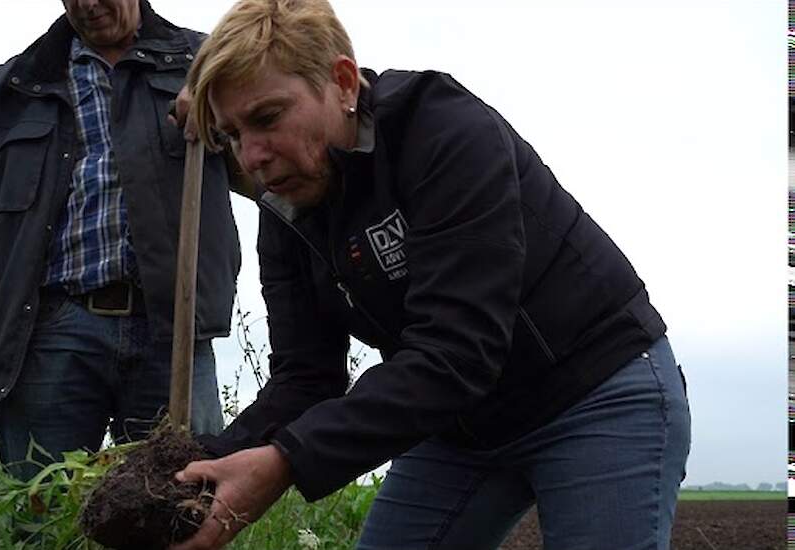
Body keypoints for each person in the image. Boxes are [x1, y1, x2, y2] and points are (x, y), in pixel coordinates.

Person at [170, 1, 692, 548]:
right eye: (230, 134)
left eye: (268, 118)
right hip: (462, 426)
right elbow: (306, 375)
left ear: (344, 84)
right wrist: (201, 465)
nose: (251, 157)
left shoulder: (442, 130)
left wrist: (284, 461)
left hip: (594, 393)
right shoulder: (288, 207)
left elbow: (458, 350)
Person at [0, 0, 243, 482]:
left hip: (174, 325)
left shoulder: (204, 61)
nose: (88, 6)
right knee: (43, 515)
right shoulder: (20, 85)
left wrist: (223, 111)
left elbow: (266, 161)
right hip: (51, 330)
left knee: (184, 507)